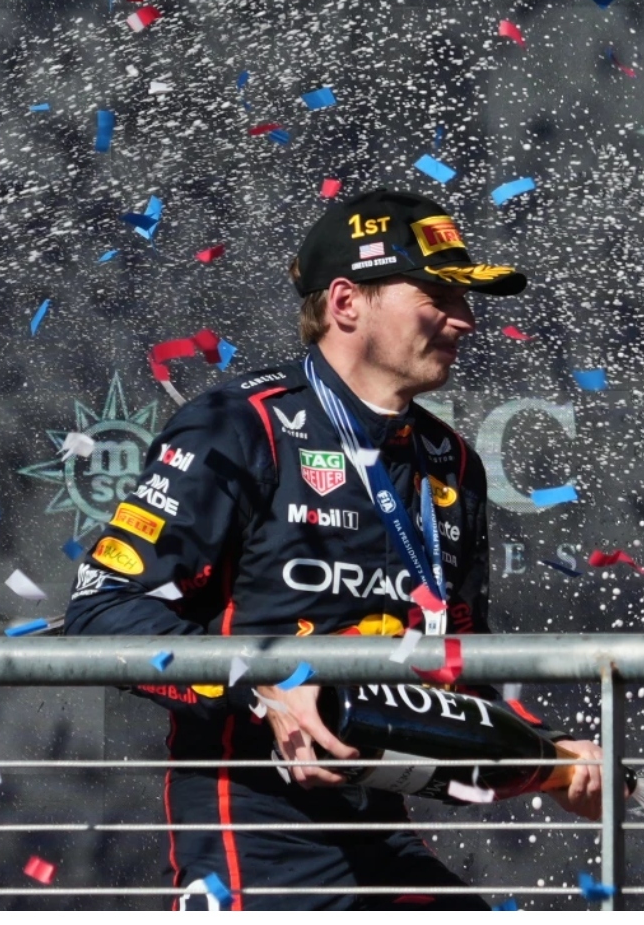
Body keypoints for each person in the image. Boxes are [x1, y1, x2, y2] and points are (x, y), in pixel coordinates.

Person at [64, 189, 603, 909]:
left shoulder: (453, 463)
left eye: (467, 300)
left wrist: (553, 753)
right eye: (438, 296)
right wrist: (266, 684)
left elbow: (460, 672)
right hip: (254, 825)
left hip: (379, 817)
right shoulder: (238, 425)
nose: (465, 321)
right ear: (347, 302)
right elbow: (100, 612)